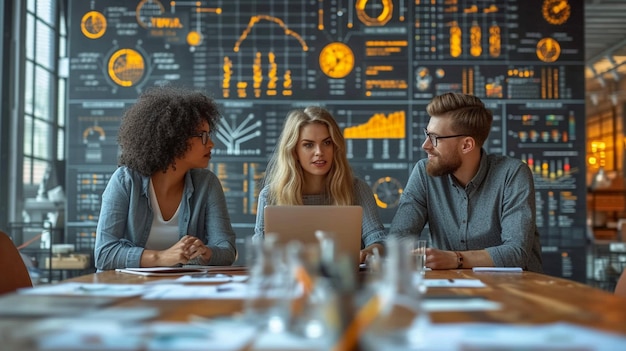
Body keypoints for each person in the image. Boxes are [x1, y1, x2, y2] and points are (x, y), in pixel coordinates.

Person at [388, 92, 543, 272]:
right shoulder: (424, 173)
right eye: (426, 134)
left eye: (434, 138)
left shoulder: (512, 173)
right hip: (447, 287)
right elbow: (398, 239)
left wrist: (456, 259)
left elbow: (516, 252)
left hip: (512, 290)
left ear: (467, 145)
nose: (425, 145)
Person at [94, 86, 237, 270]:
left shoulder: (207, 184)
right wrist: (162, 257)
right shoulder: (125, 181)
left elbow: (226, 250)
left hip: (180, 289)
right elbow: (104, 254)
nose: (211, 143)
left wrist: (205, 252)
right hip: (127, 289)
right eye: (203, 136)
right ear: (175, 138)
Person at [254, 106, 386, 263]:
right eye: (308, 145)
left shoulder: (357, 189)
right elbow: (259, 251)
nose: (319, 152)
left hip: (345, 280)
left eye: (327, 142)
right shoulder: (270, 195)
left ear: (335, 146)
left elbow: (378, 238)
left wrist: (369, 252)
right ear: (294, 151)